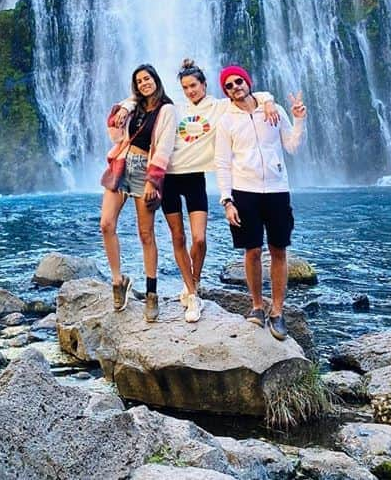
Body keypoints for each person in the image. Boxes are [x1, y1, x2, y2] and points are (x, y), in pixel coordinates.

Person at [116, 60, 279, 323]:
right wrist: (125, 106)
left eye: (194, 85)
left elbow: (249, 94)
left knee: (199, 239)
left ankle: (194, 280)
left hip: (195, 178)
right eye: (185, 87)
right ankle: (192, 293)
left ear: (204, 84)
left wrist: (269, 101)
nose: (190, 90)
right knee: (178, 237)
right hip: (168, 178)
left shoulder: (218, 106)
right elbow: (140, 99)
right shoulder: (172, 107)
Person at [214, 64, 307, 341]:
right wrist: (227, 201)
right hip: (244, 191)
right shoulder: (226, 121)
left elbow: (292, 146)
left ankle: (277, 311)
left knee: (278, 250)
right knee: (252, 251)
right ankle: (256, 306)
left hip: (277, 189)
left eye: (238, 81)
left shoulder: (272, 109)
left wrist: (299, 119)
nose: (235, 87)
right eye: (229, 85)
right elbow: (222, 163)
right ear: (226, 92)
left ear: (248, 81)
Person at [101, 64, 176, 323]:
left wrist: (153, 182)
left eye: (148, 78)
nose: (144, 83)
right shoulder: (135, 107)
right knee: (106, 224)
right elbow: (114, 134)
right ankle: (117, 280)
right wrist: (126, 106)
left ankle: (152, 294)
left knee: (146, 234)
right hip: (122, 166)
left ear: (156, 79)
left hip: (146, 170)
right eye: (139, 81)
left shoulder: (167, 109)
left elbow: (165, 146)